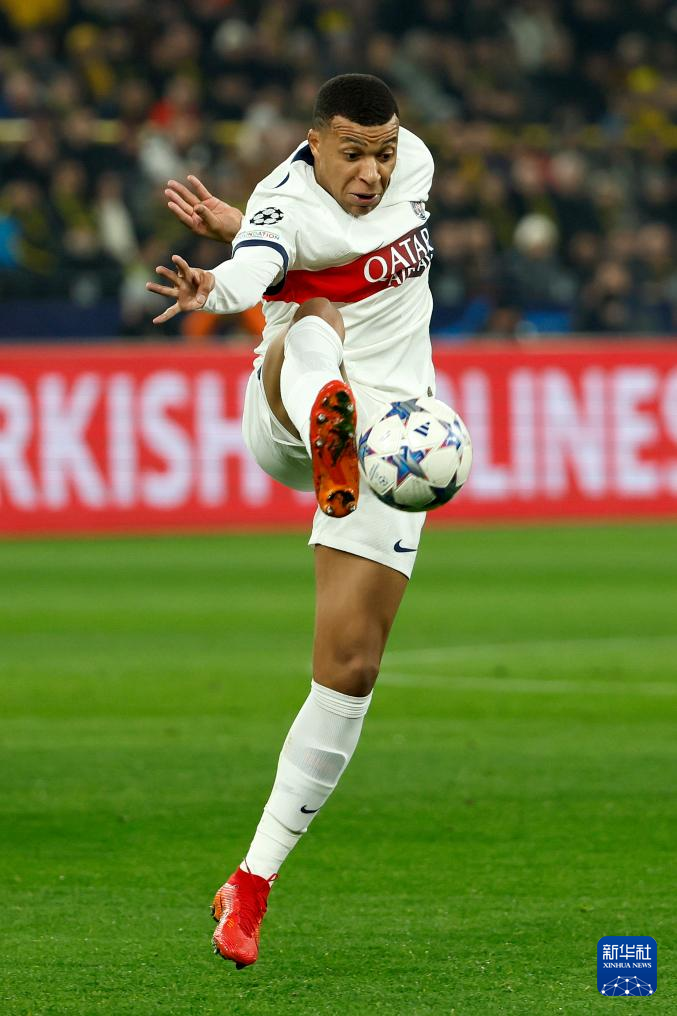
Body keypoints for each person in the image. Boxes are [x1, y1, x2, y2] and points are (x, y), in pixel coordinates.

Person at [147, 73, 436, 969]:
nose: (372, 171)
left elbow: (342, 246)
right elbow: (264, 262)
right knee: (311, 317)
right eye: (352, 153)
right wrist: (215, 283)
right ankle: (327, 419)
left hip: (391, 443)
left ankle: (251, 883)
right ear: (313, 143)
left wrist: (233, 227)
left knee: (350, 669)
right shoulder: (284, 200)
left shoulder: (417, 165)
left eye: (383, 152)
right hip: (289, 415)